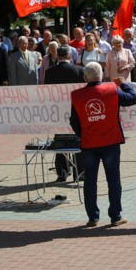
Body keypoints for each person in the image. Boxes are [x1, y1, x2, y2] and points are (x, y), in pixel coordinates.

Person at [70, 62, 136, 227]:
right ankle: (115, 216)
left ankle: (92, 217)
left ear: (85, 77)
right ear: (101, 75)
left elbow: (74, 122)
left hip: (89, 143)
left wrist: (84, 133)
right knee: (113, 180)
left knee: (90, 181)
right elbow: (134, 98)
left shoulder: (76, 95)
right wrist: (123, 84)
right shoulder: (112, 90)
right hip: (111, 141)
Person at [45, 45, 85, 182]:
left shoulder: (50, 72)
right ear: (69, 56)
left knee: (60, 141)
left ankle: (62, 172)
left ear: (57, 56)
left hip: (58, 111)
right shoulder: (79, 70)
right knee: (78, 140)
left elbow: (46, 93)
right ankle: (80, 172)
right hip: (76, 110)